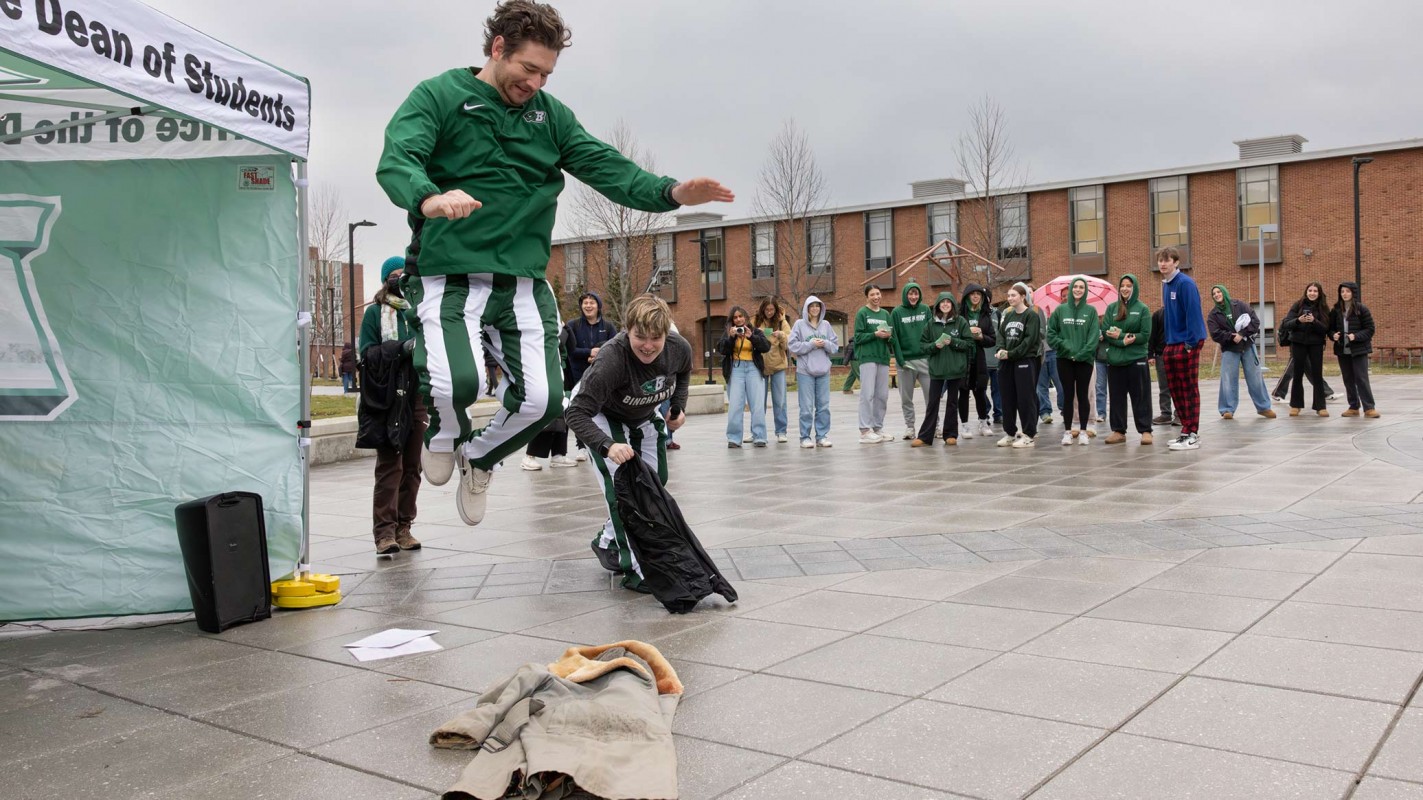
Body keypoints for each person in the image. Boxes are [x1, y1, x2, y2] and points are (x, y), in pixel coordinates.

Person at [377, 0, 732, 526]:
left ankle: (480, 457)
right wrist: (427, 197)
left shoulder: (551, 117)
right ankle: (446, 432)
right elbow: (397, 157)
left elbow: (606, 165)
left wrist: (672, 191)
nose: (536, 83)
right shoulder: (440, 96)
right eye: (528, 69)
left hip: (521, 278)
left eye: (546, 73)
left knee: (545, 403)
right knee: (461, 381)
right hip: (451, 269)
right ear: (498, 49)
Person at [565, 295, 690, 592]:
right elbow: (575, 413)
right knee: (626, 493)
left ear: (666, 334)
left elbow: (683, 373)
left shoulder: (677, 348)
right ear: (628, 330)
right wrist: (608, 445)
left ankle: (607, 540)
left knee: (654, 483)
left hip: (642, 416)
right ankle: (634, 568)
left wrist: (677, 408)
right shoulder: (612, 358)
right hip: (601, 415)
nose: (647, 345)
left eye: (655, 338)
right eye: (639, 337)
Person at [358, 256, 426, 554]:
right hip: (387, 398)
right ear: (386, 279)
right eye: (394, 275)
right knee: (390, 466)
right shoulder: (375, 314)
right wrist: (400, 349)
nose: (399, 279)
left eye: (404, 274)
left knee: (412, 467)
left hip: (418, 395)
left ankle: (404, 527)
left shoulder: (419, 312)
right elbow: (367, 355)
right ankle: (384, 533)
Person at [1156, 247, 1208, 450]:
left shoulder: (1185, 284)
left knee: (1188, 389)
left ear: (1176, 262)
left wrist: (1190, 344)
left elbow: (1194, 314)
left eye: (1167, 260)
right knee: (1175, 388)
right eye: (1160, 260)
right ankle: (1185, 430)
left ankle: (1193, 433)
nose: (1163, 264)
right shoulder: (1166, 285)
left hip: (1188, 342)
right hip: (1172, 343)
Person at [1207, 284, 1276, 421]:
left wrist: (1242, 333)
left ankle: (1264, 407)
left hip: (1248, 346)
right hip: (1230, 349)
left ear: (1224, 292)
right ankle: (1227, 409)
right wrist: (1232, 337)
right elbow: (1215, 334)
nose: (1217, 295)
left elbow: (1255, 322)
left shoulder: (1240, 305)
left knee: (1255, 377)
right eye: (1214, 293)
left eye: (1219, 292)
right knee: (1228, 379)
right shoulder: (1213, 315)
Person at [913, 292, 972, 446]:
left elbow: (969, 344)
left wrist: (953, 341)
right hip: (937, 370)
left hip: (955, 370)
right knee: (933, 403)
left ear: (953, 304)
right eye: (942, 302)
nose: (945, 304)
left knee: (952, 402)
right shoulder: (930, 324)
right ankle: (925, 436)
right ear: (938, 305)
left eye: (948, 302)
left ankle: (951, 434)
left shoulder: (961, 322)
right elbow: (923, 346)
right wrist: (934, 346)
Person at [1046, 276, 1100, 446]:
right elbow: (1051, 334)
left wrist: (1082, 353)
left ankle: (1083, 431)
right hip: (1064, 359)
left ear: (1085, 291)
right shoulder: (1060, 310)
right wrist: (1066, 346)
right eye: (1075, 287)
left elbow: (1093, 337)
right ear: (1070, 290)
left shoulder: (1091, 311)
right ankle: (1068, 431)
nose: (1078, 290)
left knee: (1083, 395)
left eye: (1081, 287)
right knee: (1068, 395)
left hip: (1084, 360)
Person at [1102, 274, 1154, 445]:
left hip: (1136, 359)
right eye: (1122, 285)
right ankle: (1118, 430)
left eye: (1128, 285)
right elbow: (1106, 332)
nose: (1125, 288)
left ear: (1134, 287)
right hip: (1115, 361)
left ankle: (1146, 430)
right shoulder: (1111, 308)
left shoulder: (1142, 309)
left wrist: (1122, 335)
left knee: (1141, 396)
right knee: (1116, 397)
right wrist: (1122, 341)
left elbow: (1145, 336)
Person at [566, 292, 618, 460]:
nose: (588, 306)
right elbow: (570, 350)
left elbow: (615, 347)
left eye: (592, 303)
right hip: (578, 374)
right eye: (585, 303)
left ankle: (605, 441)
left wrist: (597, 356)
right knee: (580, 409)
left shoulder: (608, 327)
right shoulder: (573, 325)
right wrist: (588, 353)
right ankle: (581, 446)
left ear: (598, 306)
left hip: (601, 373)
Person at [522, 325, 579, 470]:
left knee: (562, 412)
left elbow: (571, 347)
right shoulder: (537, 326)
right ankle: (530, 455)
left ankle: (558, 453)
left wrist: (565, 327)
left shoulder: (561, 328)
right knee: (545, 413)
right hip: (543, 372)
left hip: (561, 371)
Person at [787, 295, 839, 448]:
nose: (815, 308)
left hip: (823, 371)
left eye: (817, 306)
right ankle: (805, 437)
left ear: (821, 308)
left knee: (823, 406)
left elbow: (835, 346)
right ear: (807, 309)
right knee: (806, 407)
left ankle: (821, 436)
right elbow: (792, 346)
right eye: (812, 306)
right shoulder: (799, 325)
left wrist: (825, 343)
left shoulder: (826, 325)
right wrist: (810, 344)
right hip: (805, 371)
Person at [995, 282, 1042, 448]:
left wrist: (1011, 353)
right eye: (1008, 296)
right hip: (1007, 362)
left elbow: (1030, 340)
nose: (1010, 298)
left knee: (1025, 398)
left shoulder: (1031, 315)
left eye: (1013, 295)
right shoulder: (1008, 315)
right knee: (1007, 398)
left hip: (1024, 361)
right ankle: (1010, 432)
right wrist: (1001, 349)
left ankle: (1028, 434)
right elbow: (1001, 335)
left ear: (1023, 297)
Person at [718, 306, 771, 447]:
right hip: (736, 369)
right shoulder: (729, 332)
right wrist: (731, 337)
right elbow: (722, 349)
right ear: (732, 320)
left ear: (746, 318)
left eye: (740, 316)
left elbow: (766, 347)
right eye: (735, 317)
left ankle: (759, 436)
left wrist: (751, 337)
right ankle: (734, 438)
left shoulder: (755, 331)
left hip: (753, 368)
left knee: (757, 404)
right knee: (735, 405)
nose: (738, 319)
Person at [1279, 281, 1331, 418]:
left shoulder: (1323, 307)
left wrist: (1314, 321)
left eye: (1315, 291)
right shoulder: (1298, 305)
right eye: (1310, 290)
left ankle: (1320, 407)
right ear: (1306, 292)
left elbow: (1326, 328)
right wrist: (1299, 320)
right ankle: (1295, 405)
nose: (1312, 293)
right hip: (1298, 343)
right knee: (1297, 374)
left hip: (1316, 344)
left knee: (1317, 375)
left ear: (1319, 293)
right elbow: (1286, 323)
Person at [1329, 281, 1380, 418]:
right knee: (1348, 379)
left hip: (1359, 350)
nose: (1344, 294)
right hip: (1342, 350)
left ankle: (1369, 408)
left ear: (1353, 293)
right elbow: (1330, 328)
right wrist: (1333, 335)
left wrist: (1355, 336)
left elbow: (1370, 329)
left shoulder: (1361, 309)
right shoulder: (1336, 310)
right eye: (1342, 292)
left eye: (1347, 291)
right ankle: (1353, 406)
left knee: (1361, 378)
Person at [890, 282, 933, 440]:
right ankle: (910, 427)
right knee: (906, 398)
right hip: (906, 362)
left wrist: (930, 355)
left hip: (924, 360)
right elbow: (894, 339)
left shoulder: (925, 309)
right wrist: (900, 359)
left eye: (916, 293)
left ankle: (934, 425)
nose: (913, 296)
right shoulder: (896, 312)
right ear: (905, 294)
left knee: (931, 396)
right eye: (911, 293)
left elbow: (931, 333)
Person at [852, 285, 894, 443]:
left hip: (883, 357)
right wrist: (874, 334)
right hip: (867, 357)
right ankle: (864, 430)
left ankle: (878, 427)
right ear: (867, 297)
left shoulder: (885, 314)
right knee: (867, 394)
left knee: (882, 395)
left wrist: (889, 336)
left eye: (878, 293)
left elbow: (891, 336)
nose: (876, 297)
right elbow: (858, 337)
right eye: (872, 294)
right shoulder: (862, 313)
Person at [958, 283, 997, 439]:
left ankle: (983, 421)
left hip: (979, 359)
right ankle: (965, 425)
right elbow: (955, 335)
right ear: (967, 296)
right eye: (972, 294)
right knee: (963, 391)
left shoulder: (985, 315)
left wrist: (981, 337)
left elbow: (992, 340)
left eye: (978, 294)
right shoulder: (960, 315)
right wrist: (968, 333)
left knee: (980, 391)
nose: (975, 296)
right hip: (963, 359)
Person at [753, 297, 794, 443]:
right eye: (767, 309)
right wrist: (761, 332)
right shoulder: (755, 320)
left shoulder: (782, 322)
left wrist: (782, 335)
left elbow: (790, 341)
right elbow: (750, 336)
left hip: (778, 366)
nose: (769, 312)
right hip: (760, 366)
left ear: (776, 310)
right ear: (762, 309)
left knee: (780, 400)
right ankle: (756, 432)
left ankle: (781, 431)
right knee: (758, 401)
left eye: (772, 310)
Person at [1036, 286, 1067, 426]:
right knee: (1041, 385)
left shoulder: (1060, 311)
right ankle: (1045, 412)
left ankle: (1064, 409)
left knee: (1061, 384)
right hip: (1040, 352)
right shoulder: (1036, 311)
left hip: (1055, 352)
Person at [1149, 307, 1177, 426]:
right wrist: (1150, 354)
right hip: (1161, 355)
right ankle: (1165, 414)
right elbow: (1152, 335)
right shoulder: (1157, 314)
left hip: (1178, 353)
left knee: (1178, 387)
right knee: (1164, 387)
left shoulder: (1180, 311)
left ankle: (1180, 415)